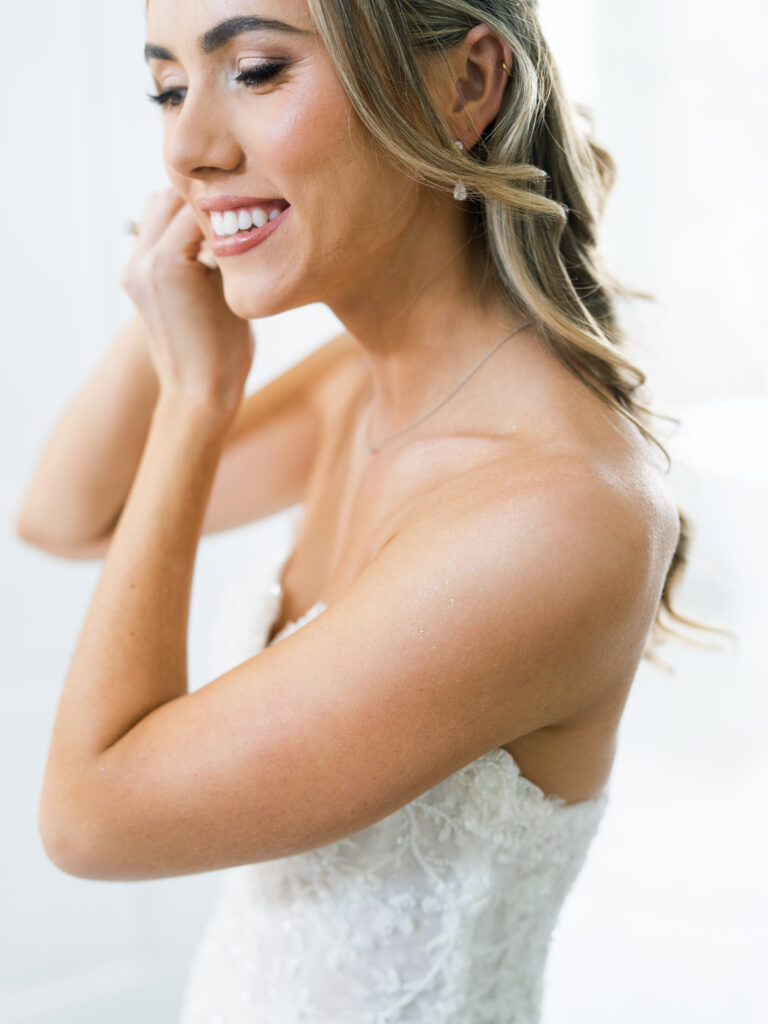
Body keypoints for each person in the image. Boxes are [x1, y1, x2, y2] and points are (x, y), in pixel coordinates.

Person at [17, 1, 705, 1020]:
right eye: (168, 89)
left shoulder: (554, 515)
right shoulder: (363, 386)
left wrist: (199, 398)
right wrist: (192, 264)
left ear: (468, 86)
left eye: (254, 72)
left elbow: (89, 817)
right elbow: (65, 514)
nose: (186, 149)